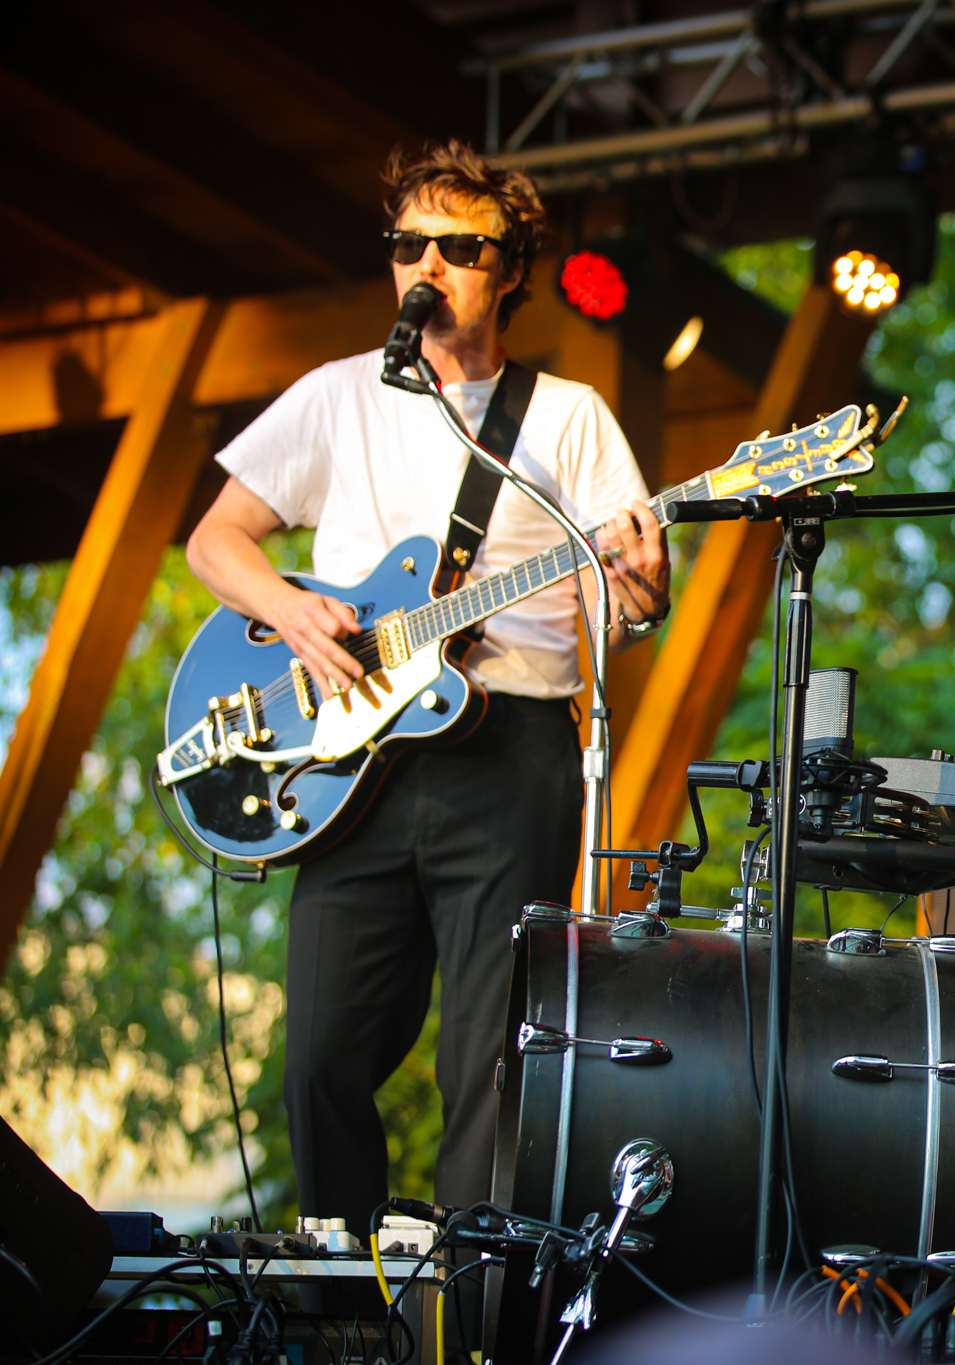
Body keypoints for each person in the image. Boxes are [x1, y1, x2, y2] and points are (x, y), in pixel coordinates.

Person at [185, 142, 672, 1258]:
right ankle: (347, 1303)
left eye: (461, 248)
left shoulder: (568, 416)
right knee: (318, 1057)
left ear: (510, 271)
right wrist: (297, 614)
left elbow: (626, 603)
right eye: (411, 245)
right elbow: (218, 539)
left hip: (511, 754)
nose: (430, 265)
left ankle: (473, 1301)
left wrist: (640, 593)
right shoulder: (335, 396)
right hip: (349, 761)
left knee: (489, 1063)